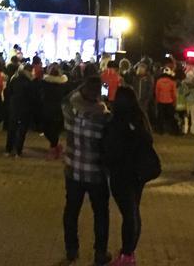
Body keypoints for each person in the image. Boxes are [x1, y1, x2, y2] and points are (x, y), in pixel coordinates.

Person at [61, 74, 111, 266]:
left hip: (73, 170)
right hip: (96, 173)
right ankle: (100, 252)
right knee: (100, 214)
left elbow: (66, 99)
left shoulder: (71, 112)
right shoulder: (104, 117)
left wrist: (80, 90)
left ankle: (71, 249)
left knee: (71, 211)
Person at [104, 86, 156, 266]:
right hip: (137, 174)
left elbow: (110, 150)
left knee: (129, 214)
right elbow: (148, 140)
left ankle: (127, 255)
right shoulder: (140, 119)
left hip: (121, 174)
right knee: (133, 211)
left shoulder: (115, 122)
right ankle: (129, 252)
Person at [4, 63, 37, 157]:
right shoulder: (30, 82)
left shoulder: (15, 79)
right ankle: (18, 150)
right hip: (25, 108)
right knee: (22, 130)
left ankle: (8, 149)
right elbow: (33, 97)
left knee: (12, 129)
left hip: (14, 106)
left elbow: (8, 91)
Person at [42, 63, 68, 159]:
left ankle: (54, 148)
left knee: (49, 130)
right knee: (53, 130)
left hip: (49, 109)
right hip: (58, 109)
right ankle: (56, 147)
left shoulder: (45, 83)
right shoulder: (63, 84)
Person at [154, 67, 178, 135]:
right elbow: (174, 94)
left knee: (160, 117)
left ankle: (160, 131)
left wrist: (157, 100)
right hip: (169, 101)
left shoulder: (159, 81)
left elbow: (157, 92)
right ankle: (171, 131)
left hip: (161, 101)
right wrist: (174, 102)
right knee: (170, 117)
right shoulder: (172, 82)